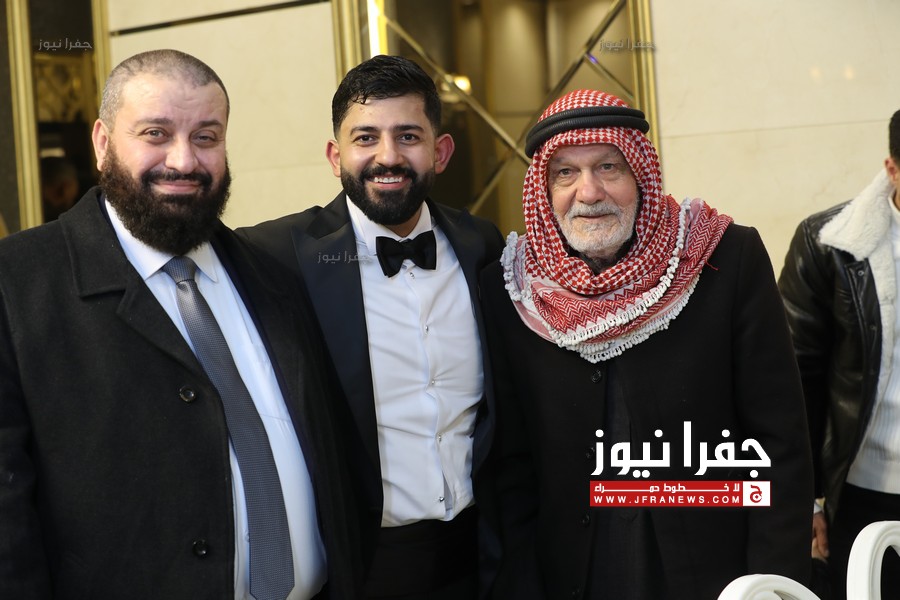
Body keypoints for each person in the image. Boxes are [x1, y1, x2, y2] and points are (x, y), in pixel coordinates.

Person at [0, 49, 361, 599]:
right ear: (102, 143)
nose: (184, 160)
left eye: (206, 137)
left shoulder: (271, 277)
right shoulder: (17, 286)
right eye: (156, 133)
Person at [479, 89, 814, 599]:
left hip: (712, 575)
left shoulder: (722, 258)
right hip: (574, 576)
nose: (588, 192)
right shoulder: (515, 290)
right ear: (544, 189)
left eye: (608, 167)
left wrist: (773, 586)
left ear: (640, 173)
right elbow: (512, 471)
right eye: (565, 173)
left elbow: (779, 443)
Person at [242, 55, 504, 599]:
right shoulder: (278, 255)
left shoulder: (482, 244)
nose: (388, 156)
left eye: (408, 136)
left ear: (440, 151)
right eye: (366, 138)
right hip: (361, 566)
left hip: (482, 554)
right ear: (335, 155)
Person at [778, 109, 900, 600]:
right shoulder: (830, 245)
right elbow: (794, 380)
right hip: (868, 491)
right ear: (892, 169)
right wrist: (805, 500)